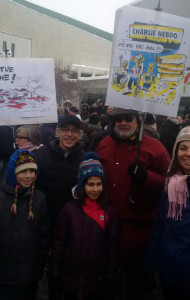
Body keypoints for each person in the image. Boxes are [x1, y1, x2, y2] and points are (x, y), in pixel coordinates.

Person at [95, 107, 171, 300]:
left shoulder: (155, 147)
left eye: (128, 118)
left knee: (138, 285)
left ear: (139, 120)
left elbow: (171, 185)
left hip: (141, 232)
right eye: (119, 119)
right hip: (109, 227)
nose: (123, 123)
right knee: (109, 282)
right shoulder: (103, 144)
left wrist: (147, 178)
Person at [51, 152, 120, 300]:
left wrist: (111, 272)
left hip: (96, 280)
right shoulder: (69, 209)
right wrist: (55, 270)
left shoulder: (108, 212)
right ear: (82, 185)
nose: (95, 189)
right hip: (70, 279)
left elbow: (112, 247)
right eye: (90, 184)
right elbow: (59, 243)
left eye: (99, 184)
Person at [143, 126, 190, 299]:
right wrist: (149, 265)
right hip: (169, 271)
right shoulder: (171, 185)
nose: (187, 154)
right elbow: (160, 227)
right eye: (183, 148)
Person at [0, 149, 49, 300]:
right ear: (12, 172)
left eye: (32, 171)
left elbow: (43, 236)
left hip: (29, 273)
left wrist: (39, 266)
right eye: (22, 171)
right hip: (4, 274)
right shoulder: (1, 198)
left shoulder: (39, 198)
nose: (28, 176)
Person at [33, 115, 85, 232]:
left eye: (74, 130)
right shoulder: (41, 154)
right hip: (42, 217)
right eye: (65, 129)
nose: (69, 134)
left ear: (80, 134)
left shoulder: (84, 159)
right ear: (58, 131)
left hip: (70, 221)